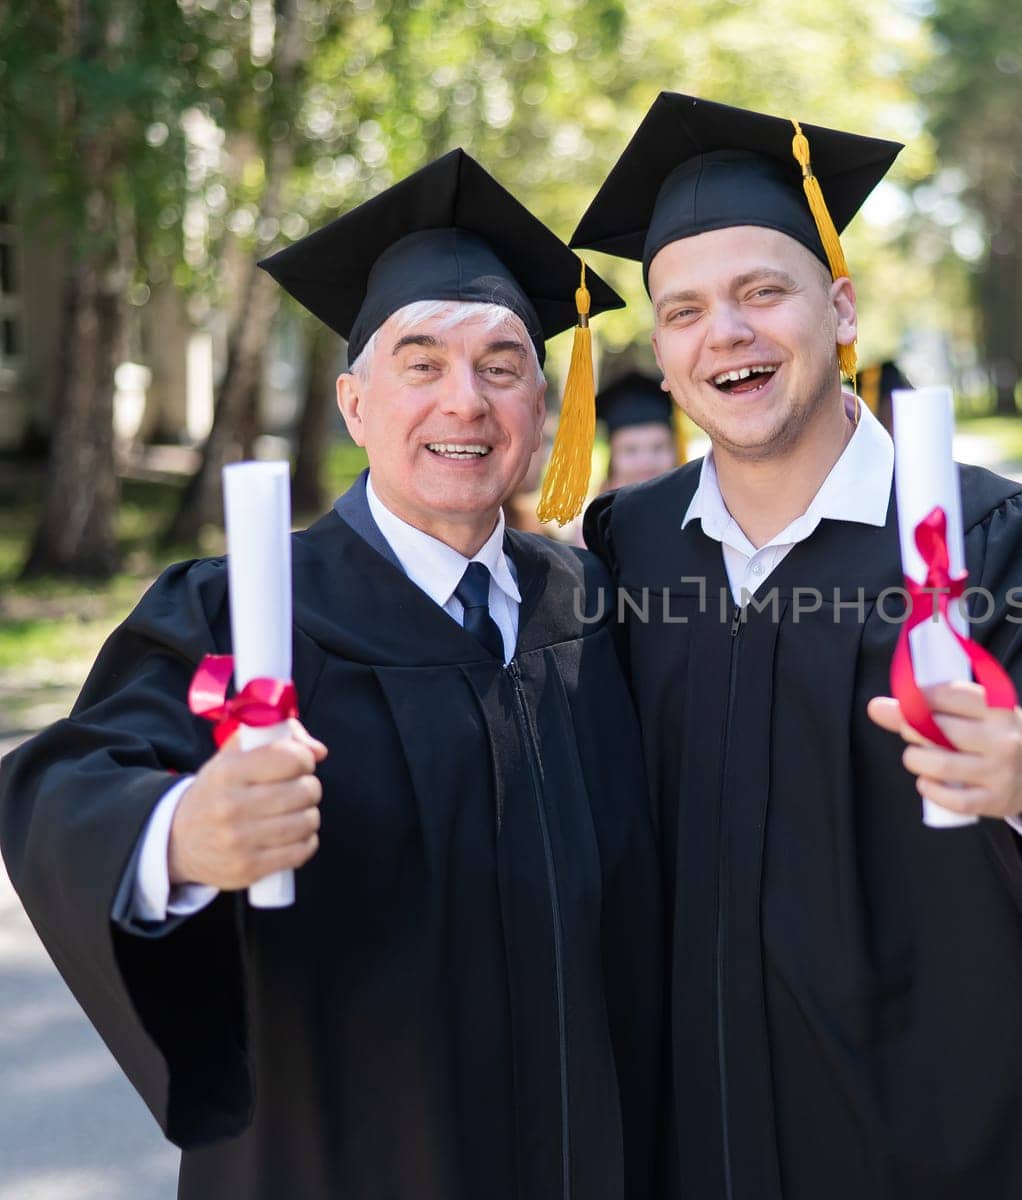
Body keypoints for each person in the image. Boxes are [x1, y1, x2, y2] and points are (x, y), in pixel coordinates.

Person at [566, 91, 1022, 1198]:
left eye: (761, 292)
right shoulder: (625, 549)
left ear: (841, 308)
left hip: (945, 1124)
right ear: (665, 355)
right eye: (682, 311)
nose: (724, 331)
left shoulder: (995, 538)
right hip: (696, 1126)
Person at [0, 150, 663, 1197]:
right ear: (354, 405)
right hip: (339, 1161)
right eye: (421, 364)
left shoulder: (595, 609)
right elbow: (67, 784)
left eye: (501, 367)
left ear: (541, 406)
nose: (467, 401)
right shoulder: (240, 612)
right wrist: (181, 832)